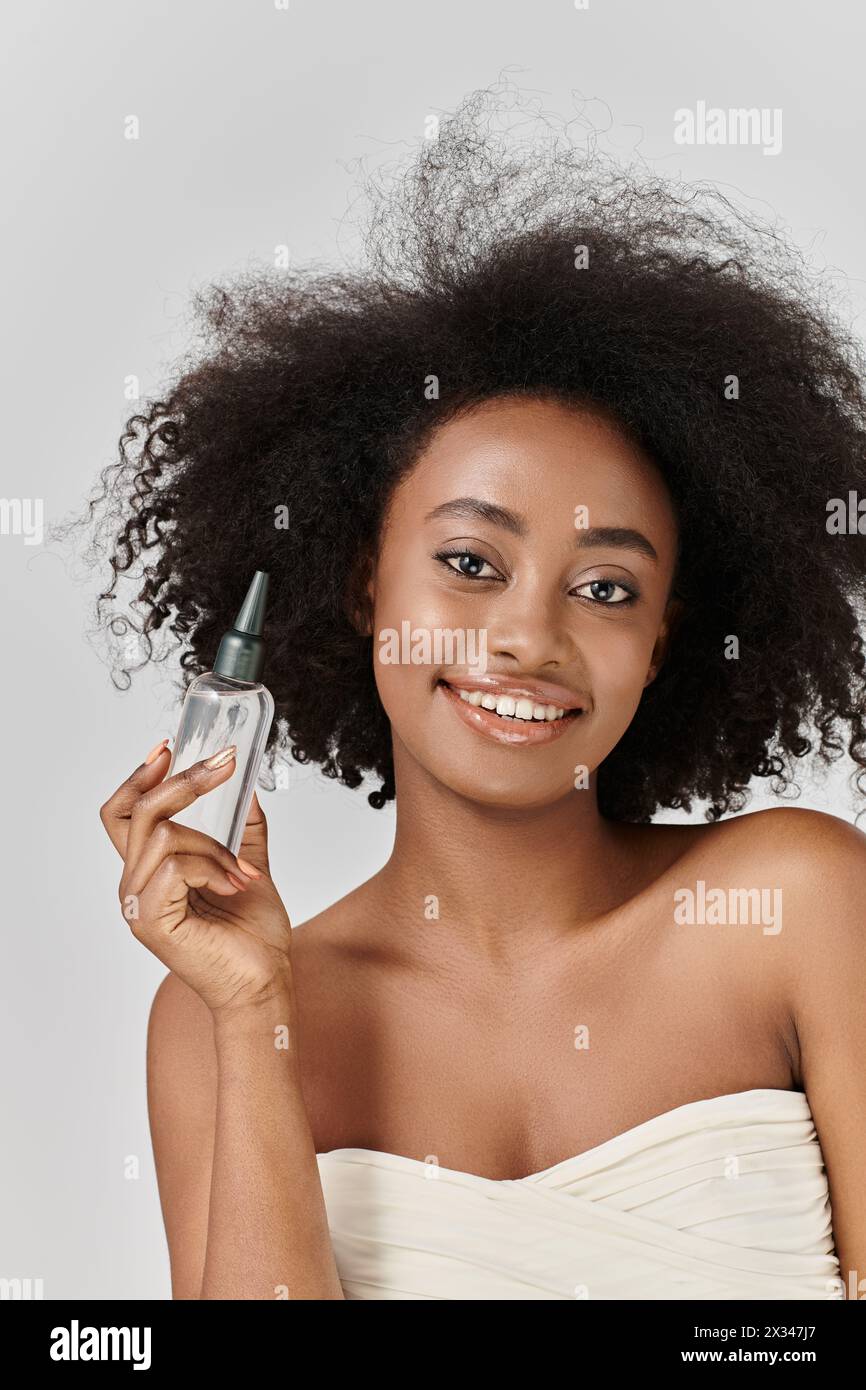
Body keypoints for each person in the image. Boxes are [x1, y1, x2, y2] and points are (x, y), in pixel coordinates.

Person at [93, 86, 866, 1299]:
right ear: (360, 584)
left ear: (664, 641)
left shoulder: (799, 905)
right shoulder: (211, 1018)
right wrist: (254, 1016)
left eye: (605, 587)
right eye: (469, 564)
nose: (526, 637)